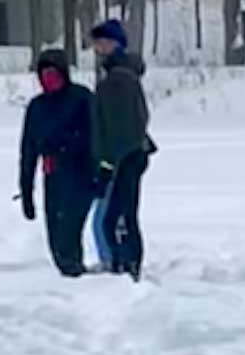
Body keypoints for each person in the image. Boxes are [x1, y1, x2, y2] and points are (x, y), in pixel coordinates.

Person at [18, 48, 96, 276]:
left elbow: (95, 137)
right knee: (56, 241)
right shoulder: (37, 107)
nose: (48, 80)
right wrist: (26, 192)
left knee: (68, 234)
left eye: (53, 74)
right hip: (53, 177)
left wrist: (99, 173)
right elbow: (28, 150)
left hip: (81, 175)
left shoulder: (82, 98)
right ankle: (71, 280)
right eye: (44, 75)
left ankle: (79, 282)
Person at [90, 19, 156, 280]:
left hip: (124, 158)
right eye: (96, 43)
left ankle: (124, 267)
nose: (97, 48)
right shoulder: (121, 76)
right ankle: (124, 264)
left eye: (102, 42)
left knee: (116, 218)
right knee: (120, 215)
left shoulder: (118, 80)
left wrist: (108, 163)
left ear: (115, 44)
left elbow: (118, 127)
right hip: (131, 154)